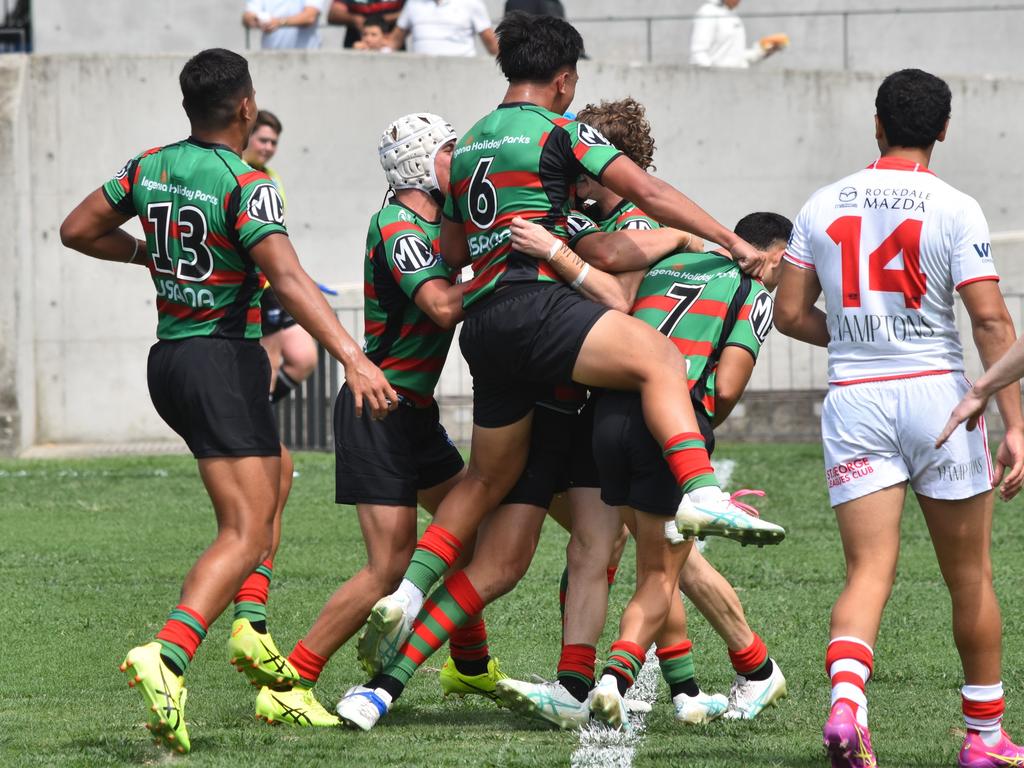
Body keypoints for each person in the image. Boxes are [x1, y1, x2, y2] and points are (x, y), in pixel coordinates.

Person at [334, 12, 777, 731]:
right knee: (655, 371)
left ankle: (382, 683)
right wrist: (725, 238)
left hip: (498, 344)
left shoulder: (473, 140)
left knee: (507, 552)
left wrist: (498, 265)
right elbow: (632, 256)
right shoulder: (566, 141)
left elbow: (451, 247)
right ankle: (704, 502)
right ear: (565, 79)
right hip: (557, 361)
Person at [58, 48, 396, 754]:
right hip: (221, 358)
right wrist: (354, 358)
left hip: (173, 358)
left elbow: (77, 228)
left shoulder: (149, 165)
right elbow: (291, 280)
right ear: (245, 107)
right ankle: (171, 654)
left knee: (277, 471)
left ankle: (251, 623)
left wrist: (142, 254)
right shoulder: (247, 182)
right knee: (242, 531)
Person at [775, 68, 1024, 768]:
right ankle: (984, 740)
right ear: (943, 129)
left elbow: (790, 312)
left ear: (876, 124)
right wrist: (1016, 424)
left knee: (867, 571)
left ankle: (847, 706)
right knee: (969, 574)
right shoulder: (956, 207)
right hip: (938, 397)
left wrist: (856, 338)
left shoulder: (822, 205)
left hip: (855, 399)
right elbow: (990, 321)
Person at [498, 207, 790, 729]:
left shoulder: (664, 263)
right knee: (662, 568)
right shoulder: (755, 293)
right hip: (670, 427)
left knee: (655, 557)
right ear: (775, 255)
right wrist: (698, 423)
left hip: (606, 420)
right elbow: (724, 388)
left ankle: (742, 670)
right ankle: (619, 680)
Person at [250, 112, 475, 726]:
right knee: (389, 566)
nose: (462, 159)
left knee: (471, 535)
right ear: (421, 161)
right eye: (451, 151)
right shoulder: (396, 223)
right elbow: (439, 305)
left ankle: (471, 665)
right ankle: (292, 679)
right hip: (377, 410)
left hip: (416, 415)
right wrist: (513, 269)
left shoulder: (440, 222)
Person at [241, 110, 319, 402]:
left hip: (273, 282)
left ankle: (261, 411)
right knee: (268, 364)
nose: (268, 148)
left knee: (305, 356)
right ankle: (259, 426)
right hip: (254, 285)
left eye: (274, 142)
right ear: (247, 136)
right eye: (263, 140)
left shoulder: (272, 178)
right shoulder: (235, 171)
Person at [689, 0, 787, 69]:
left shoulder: (733, 15)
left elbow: (737, 57)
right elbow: (698, 53)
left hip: (736, 83)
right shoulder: (708, 12)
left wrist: (762, 52)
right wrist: (712, 79)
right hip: (717, 85)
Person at [390, 0, 498, 57]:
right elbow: (393, 43)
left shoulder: (472, 3)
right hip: (420, 78)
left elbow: (494, 47)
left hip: (461, 78)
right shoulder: (412, 3)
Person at [243, 0, 325, 50]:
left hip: (307, 58)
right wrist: (258, 20)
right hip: (271, 58)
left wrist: (278, 22)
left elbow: (309, 17)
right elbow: (247, 17)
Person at [329, 0, 405, 49]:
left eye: (373, 35)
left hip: (394, 49)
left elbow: (413, 11)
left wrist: (383, 19)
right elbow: (333, 14)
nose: (368, 39)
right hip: (355, 42)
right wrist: (355, 19)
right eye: (365, 34)